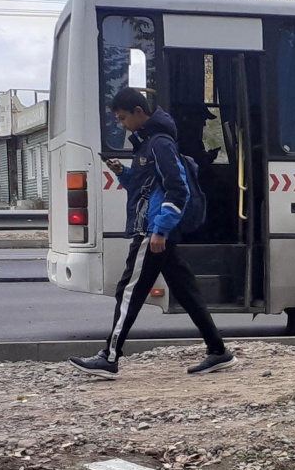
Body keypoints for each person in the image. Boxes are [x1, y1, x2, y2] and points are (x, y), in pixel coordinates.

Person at [70, 86, 234, 377]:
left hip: (151, 230)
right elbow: (143, 187)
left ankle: (109, 356)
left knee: (129, 292)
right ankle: (218, 352)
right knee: (186, 291)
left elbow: (178, 189)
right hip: (155, 229)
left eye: (123, 119)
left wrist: (159, 230)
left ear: (138, 113)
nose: (122, 125)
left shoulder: (159, 143)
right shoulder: (148, 143)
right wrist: (122, 172)